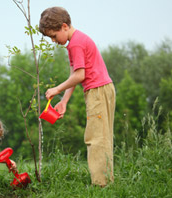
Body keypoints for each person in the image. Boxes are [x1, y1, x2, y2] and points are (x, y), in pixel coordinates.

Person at [39, 7, 115, 187]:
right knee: (101, 136)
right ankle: (105, 181)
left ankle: (101, 184)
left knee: (96, 138)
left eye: (54, 36)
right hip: (100, 90)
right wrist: (64, 100)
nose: (53, 41)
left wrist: (56, 89)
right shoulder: (74, 43)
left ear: (64, 26)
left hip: (98, 91)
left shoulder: (76, 43)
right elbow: (75, 73)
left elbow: (80, 76)